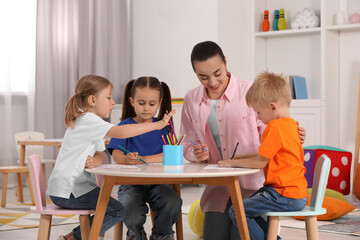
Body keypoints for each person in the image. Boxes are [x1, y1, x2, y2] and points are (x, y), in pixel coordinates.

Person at [180, 41, 306, 240]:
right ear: (195, 73)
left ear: (226, 63)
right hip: (217, 187)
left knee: (241, 234)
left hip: (253, 187)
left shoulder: (252, 92)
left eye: (218, 73)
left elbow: (276, 130)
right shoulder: (191, 100)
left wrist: (295, 134)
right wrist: (195, 153)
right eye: (203, 77)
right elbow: (187, 143)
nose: (212, 81)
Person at [46, 75, 175, 240]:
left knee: (114, 207)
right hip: (69, 190)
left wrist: (94, 161)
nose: (113, 102)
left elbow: (100, 155)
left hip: (72, 188)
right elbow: (121, 132)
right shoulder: (89, 120)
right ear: (92, 100)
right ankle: (75, 238)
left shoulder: (93, 123)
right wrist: (157, 125)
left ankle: (71, 237)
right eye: (108, 97)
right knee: (117, 210)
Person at [219, 71, 308, 239]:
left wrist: (231, 164)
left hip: (284, 193)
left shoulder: (275, 127)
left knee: (238, 210)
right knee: (245, 207)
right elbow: (269, 154)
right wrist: (239, 159)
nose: (258, 118)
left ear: (273, 107)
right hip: (294, 193)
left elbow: (261, 163)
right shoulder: (291, 125)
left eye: (258, 112)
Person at [107, 77, 182, 240]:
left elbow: (169, 153)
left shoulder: (163, 126)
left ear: (159, 102)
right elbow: (116, 154)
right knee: (129, 207)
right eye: (141, 103)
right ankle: (136, 234)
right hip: (130, 184)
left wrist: (145, 158)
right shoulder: (124, 126)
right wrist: (126, 159)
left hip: (160, 182)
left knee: (173, 202)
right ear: (132, 101)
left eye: (152, 104)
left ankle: (162, 235)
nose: (146, 108)